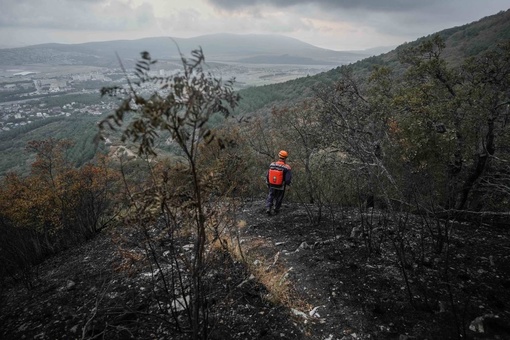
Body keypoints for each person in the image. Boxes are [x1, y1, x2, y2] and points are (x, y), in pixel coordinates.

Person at [265, 150, 292, 215]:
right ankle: (276, 209)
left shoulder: (272, 164)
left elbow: (268, 175)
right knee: (279, 197)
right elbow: (287, 179)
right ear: (285, 158)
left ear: (279, 156)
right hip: (281, 186)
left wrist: (268, 182)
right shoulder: (287, 167)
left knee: (271, 195)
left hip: (272, 184)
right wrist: (288, 184)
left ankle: (268, 207)